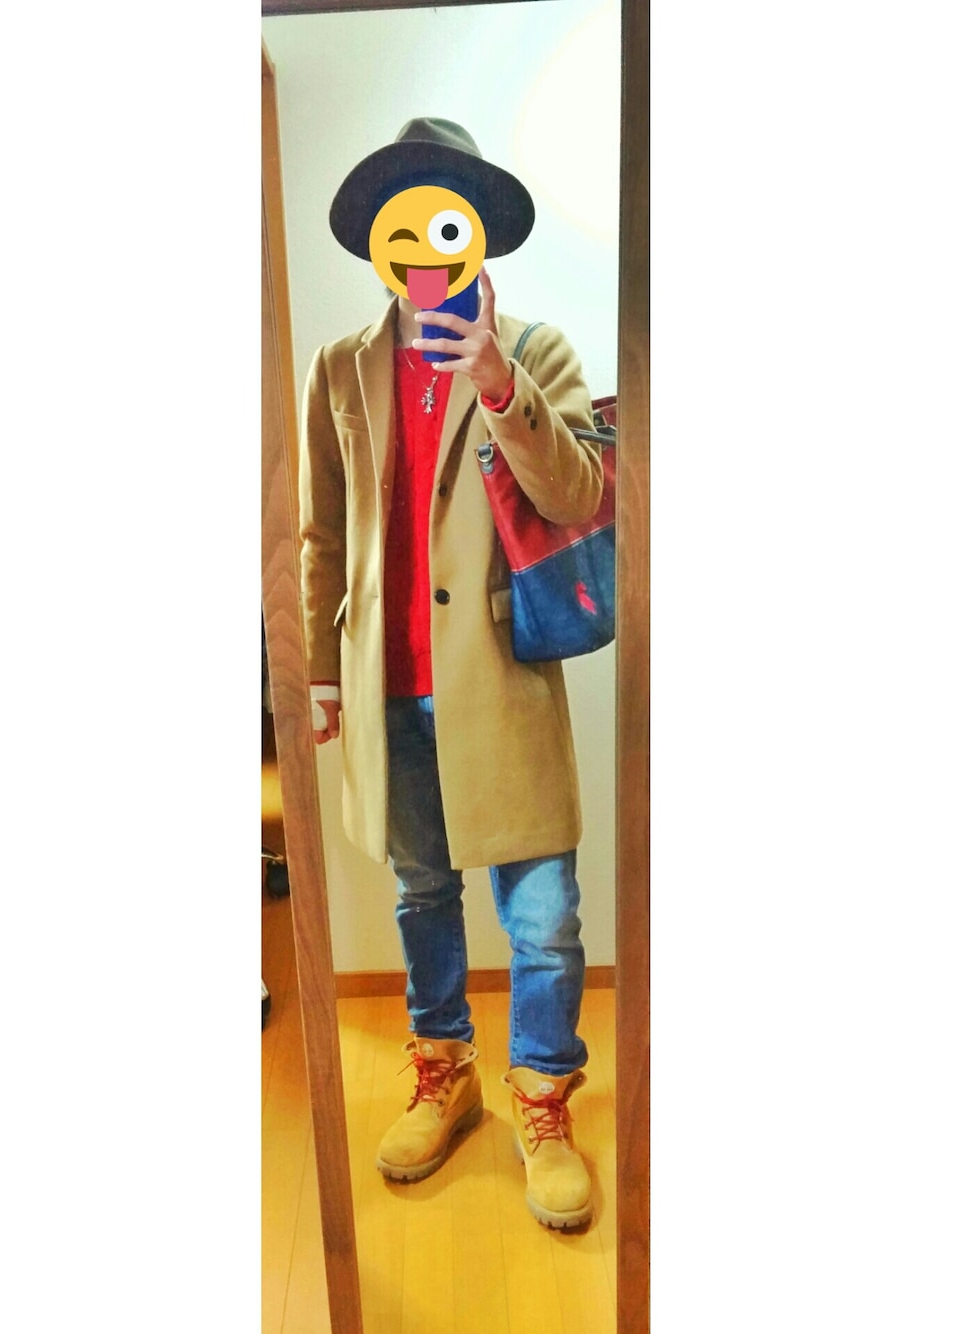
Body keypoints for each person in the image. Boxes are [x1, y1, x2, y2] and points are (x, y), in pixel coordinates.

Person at [298, 117, 603, 1230]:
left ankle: (544, 1102)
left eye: (445, 218)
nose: (426, 247)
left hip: (500, 681)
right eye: (407, 220)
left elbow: (577, 497)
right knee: (421, 893)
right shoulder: (341, 365)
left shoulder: (538, 350)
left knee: (543, 918)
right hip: (383, 681)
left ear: (474, 232)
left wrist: (500, 383)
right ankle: (446, 1074)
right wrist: (317, 667)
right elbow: (321, 529)